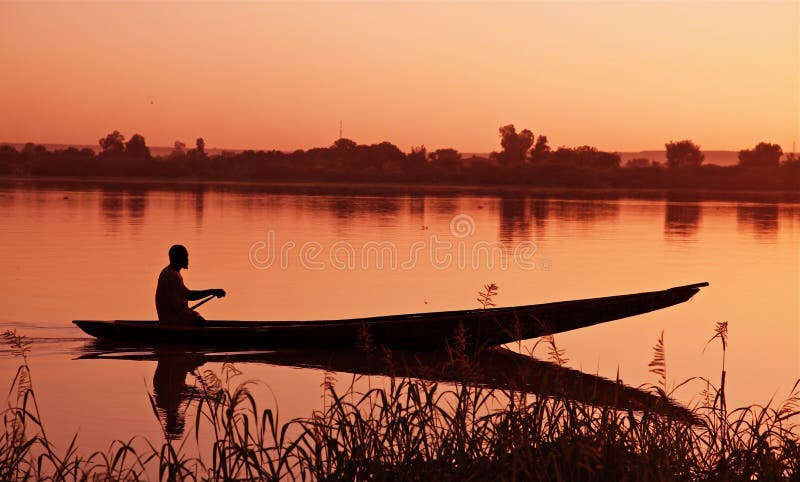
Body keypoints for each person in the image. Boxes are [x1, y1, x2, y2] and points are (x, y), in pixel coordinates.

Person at [155, 244, 225, 325]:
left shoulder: (167, 272)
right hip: (173, 319)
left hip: (168, 317)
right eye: (185, 257)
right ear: (178, 258)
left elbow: (180, 298)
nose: (187, 260)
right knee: (201, 323)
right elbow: (189, 295)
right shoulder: (173, 275)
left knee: (198, 319)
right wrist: (212, 291)